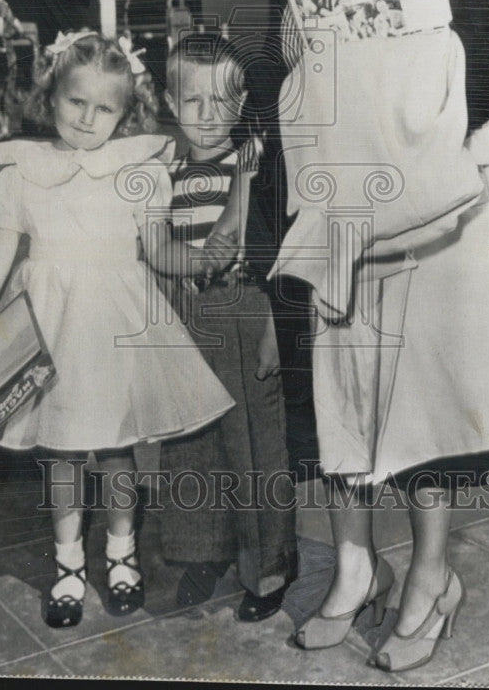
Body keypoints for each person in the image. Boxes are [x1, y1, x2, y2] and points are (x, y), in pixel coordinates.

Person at [247, 0, 489, 673]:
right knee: (346, 397)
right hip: (342, 210)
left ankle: (431, 576)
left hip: (435, 202)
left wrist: (396, 65)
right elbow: (271, 101)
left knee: (423, 402)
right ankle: (357, 568)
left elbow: (488, 73)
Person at [0, 30, 235, 629]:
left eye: (105, 108)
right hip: (47, 323)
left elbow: (159, 250)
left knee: (114, 449)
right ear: (50, 96)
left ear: (126, 114)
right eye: (76, 101)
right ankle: (68, 562)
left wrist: (206, 259)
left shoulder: (138, 169)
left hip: (116, 325)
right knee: (60, 453)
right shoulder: (25, 169)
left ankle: (121, 551)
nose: (88, 118)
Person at [156, 34, 296, 622]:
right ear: (169, 101)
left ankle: (268, 568)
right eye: (193, 103)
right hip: (184, 316)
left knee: (255, 447)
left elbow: (264, 244)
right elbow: (149, 245)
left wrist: (274, 325)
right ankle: (200, 553)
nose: (209, 118)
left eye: (223, 101)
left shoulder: (254, 160)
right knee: (190, 442)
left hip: (242, 309)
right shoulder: (164, 166)